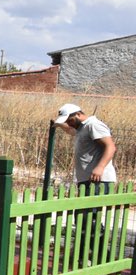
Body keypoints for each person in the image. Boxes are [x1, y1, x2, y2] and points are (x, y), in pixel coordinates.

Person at [53, 103, 116, 262]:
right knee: (84, 218)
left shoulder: (93, 125)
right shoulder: (82, 127)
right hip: (86, 180)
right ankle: (90, 256)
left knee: (89, 219)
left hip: (97, 180)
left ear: (77, 114)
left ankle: (98, 257)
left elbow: (110, 147)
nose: (68, 123)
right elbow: (71, 130)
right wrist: (58, 124)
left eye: (69, 120)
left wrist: (100, 167)